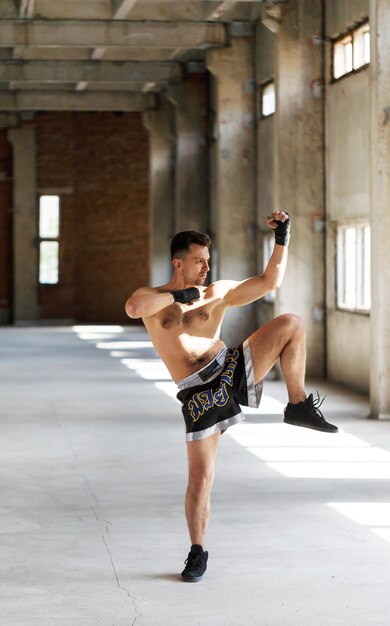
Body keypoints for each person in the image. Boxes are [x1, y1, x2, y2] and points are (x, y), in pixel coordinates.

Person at [125, 211, 337, 583]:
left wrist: (282, 238)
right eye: (198, 261)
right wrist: (178, 294)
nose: (206, 267)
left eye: (208, 260)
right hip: (198, 394)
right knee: (201, 478)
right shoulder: (155, 299)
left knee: (292, 324)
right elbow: (133, 308)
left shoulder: (217, 292)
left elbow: (270, 281)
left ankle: (298, 405)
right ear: (178, 262)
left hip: (231, 368)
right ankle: (197, 552)